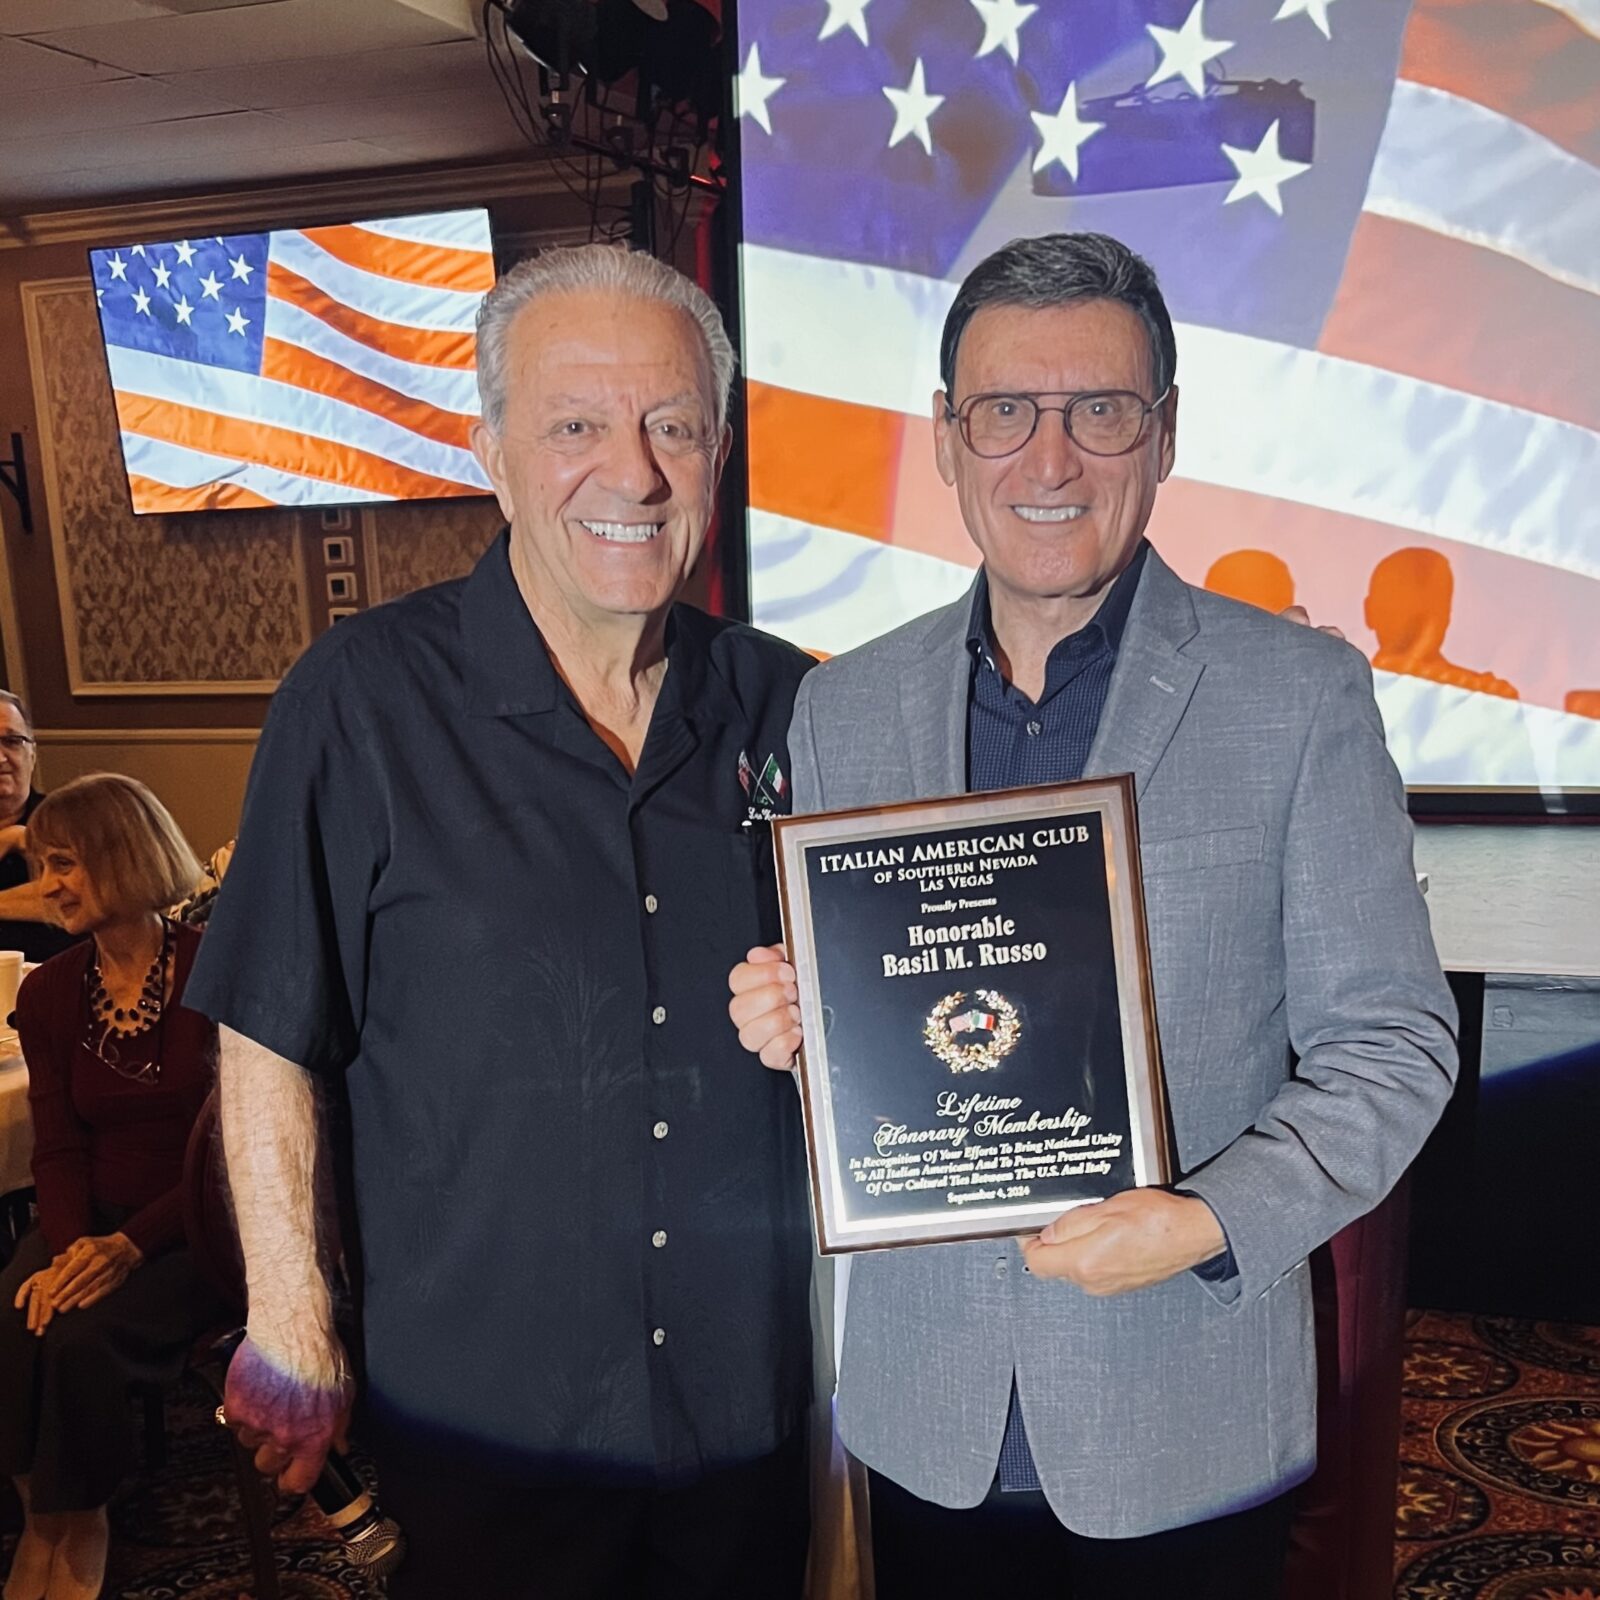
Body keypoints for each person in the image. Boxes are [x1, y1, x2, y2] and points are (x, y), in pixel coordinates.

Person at [728, 232, 1459, 1599]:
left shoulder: (1297, 697)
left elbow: (1393, 1047)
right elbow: (886, 1028)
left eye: (1101, 410)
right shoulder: (844, 706)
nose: (1049, 460)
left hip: (1182, 1413)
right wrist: (798, 1018)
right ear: (946, 438)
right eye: (1005, 410)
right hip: (927, 1415)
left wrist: (1204, 1219)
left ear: (1163, 433)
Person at [182, 245, 815, 1599]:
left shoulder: (790, 703)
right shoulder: (358, 702)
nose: (633, 474)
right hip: (486, 1428)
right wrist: (290, 1317)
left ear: (719, 454)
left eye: (673, 427)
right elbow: (269, 1027)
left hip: (746, 1408)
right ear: (493, 455)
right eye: (576, 426)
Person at [0, 774, 221, 1600]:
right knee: (15, 1312)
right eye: (42, 866)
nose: (48, 885)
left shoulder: (215, 969)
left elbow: (238, 1150)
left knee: (80, 1340)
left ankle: (83, 1516)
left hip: (198, 1223)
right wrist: (69, 1252)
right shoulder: (49, 992)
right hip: (91, 1217)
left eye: (65, 864)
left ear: (124, 856)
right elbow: (57, 1146)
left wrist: (129, 1246)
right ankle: (40, 1520)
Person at [0, 693, 76, 966]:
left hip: (64, 978)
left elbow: (91, 898)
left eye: (12, 741)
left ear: (32, 754)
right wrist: (9, 839)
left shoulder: (72, 820)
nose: (0, 758)